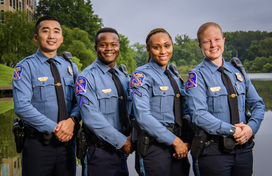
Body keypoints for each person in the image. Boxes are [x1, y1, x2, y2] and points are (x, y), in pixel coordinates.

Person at [185, 22, 265, 176]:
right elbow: (199, 115)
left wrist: (251, 128)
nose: (213, 45)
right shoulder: (197, 76)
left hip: (244, 150)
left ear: (223, 40)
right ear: (200, 46)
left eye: (216, 39)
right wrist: (232, 130)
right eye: (207, 41)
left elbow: (258, 105)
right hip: (214, 152)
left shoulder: (238, 71)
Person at [12, 15, 80, 176]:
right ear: (36, 37)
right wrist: (55, 128)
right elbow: (21, 106)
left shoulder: (70, 67)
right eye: (45, 31)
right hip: (38, 146)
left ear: (61, 38)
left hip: (67, 145)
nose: (51, 36)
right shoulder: (25, 67)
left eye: (56, 32)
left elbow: (81, 100)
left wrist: (72, 120)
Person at [130, 28, 190, 176]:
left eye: (167, 45)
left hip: (179, 147)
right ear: (148, 49)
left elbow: (185, 111)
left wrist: (186, 141)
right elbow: (143, 117)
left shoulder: (175, 76)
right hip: (154, 148)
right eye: (157, 47)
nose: (163, 51)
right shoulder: (141, 75)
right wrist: (175, 141)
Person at [75, 27, 133, 176]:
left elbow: (131, 110)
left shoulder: (123, 77)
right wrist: (123, 142)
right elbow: (90, 117)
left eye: (113, 44)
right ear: (96, 48)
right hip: (99, 153)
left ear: (119, 47)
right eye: (103, 44)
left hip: (122, 153)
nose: (109, 49)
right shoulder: (86, 78)